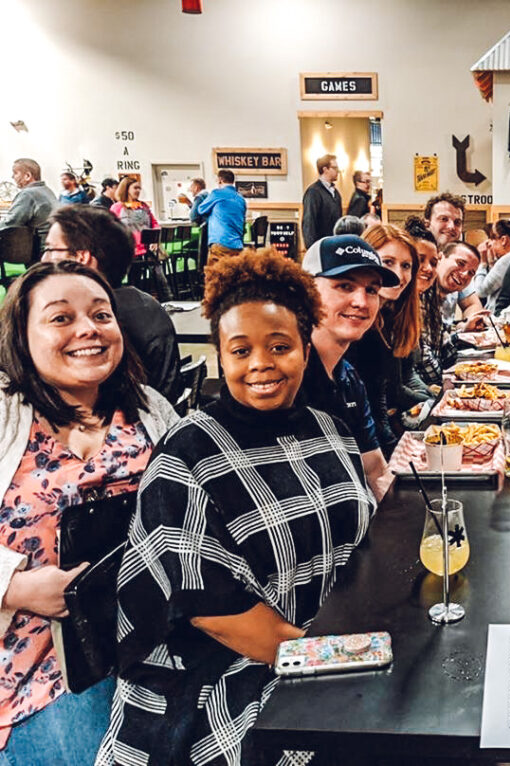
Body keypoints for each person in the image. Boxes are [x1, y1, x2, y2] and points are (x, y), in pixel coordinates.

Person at [99, 250, 375, 765]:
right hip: (220, 686)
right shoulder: (187, 456)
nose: (261, 365)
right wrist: (348, 661)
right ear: (220, 358)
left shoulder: (329, 428)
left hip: (324, 649)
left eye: (280, 346)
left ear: (305, 351)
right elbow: (218, 615)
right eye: (240, 350)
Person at [0, 260, 178, 764]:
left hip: (146, 637)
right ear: (21, 335)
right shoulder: (5, 413)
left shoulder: (149, 409)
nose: (88, 330)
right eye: (60, 318)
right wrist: (15, 587)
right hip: (34, 655)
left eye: (101, 315)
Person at [41, 205, 184, 403]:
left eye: (50, 249)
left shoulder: (72, 329)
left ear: (82, 257)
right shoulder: (148, 306)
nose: (43, 259)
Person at [300, 234, 399, 500]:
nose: (362, 302)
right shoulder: (288, 379)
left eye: (372, 290)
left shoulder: (349, 377)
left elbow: (375, 469)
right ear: (306, 290)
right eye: (345, 286)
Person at [348, 224, 424, 456]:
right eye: (388, 262)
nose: (398, 276)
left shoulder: (388, 318)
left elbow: (381, 402)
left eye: (406, 266)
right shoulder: (356, 326)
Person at [405, 216, 452, 392]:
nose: (428, 268)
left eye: (433, 263)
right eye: (420, 260)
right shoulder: (394, 307)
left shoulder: (423, 299)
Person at [1, 159, 56, 257]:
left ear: (27, 176)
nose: (12, 177)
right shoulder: (47, 191)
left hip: (38, 249)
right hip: (51, 245)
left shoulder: (28, 194)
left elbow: (11, 222)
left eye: (15, 173)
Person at [473, 218, 510, 310]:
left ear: (503, 240)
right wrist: (491, 263)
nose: (489, 243)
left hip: (499, 315)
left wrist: (482, 263)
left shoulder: (507, 260)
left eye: (492, 238)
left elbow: (481, 291)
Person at [196, 169, 247, 261]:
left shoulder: (217, 193)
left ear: (220, 180)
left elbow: (200, 210)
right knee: (235, 274)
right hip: (237, 245)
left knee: (215, 274)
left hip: (220, 244)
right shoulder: (241, 198)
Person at [301, 154, 343, 249]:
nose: (338, 171)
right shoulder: (314, 192)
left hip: (334, 245)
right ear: (325, 169)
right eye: (335, 168)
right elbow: (309, 222)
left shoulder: (335, 193)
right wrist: (311, 248)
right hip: (320, 245)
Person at [110, 176, 159, 258]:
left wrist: (155, 240)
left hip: (147, 250)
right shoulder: (117, 207)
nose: (138, 191)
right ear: (126, 189)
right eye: (135, 188)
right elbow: (111, 230)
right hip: (128, 251)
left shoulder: (143, 206)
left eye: (139, 188)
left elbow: (154, 224)